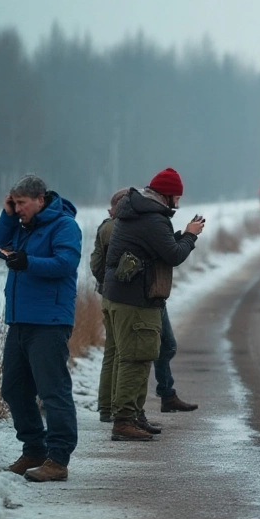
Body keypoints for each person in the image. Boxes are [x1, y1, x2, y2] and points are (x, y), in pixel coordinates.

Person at [0, 174, 81, 482]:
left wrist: (28, 263)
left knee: (52, 392)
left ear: (40, 199)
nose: (18, 208)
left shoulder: (64, 225)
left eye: (22, 203)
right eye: (14, 203)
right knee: (13, 388)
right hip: (19, 319)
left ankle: (58, 459)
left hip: (50, 321)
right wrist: (7, 215)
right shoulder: (20, 226)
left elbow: (65, 264)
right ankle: (34, 449)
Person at [102, 168, 204, 441]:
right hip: (136, 298)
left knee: (141, 356)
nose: (178, 204)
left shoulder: (138, 211)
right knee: (135, 359)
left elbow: (161, 248)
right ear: (167, 195)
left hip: (124, 295)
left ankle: (135, 416)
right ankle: (124, 421)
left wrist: (182, 236)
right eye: (177, 198)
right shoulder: (153, 218)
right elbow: (172, 255)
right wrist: (191, 236)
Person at [91, 188, 130, 425]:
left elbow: (96, 264)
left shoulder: (104, 228)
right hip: (122, 298)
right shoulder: (125, 228)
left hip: (105, 294)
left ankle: (105, 407)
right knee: (124, 353)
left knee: (110, 351)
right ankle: (118, 407)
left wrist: (105, 281)